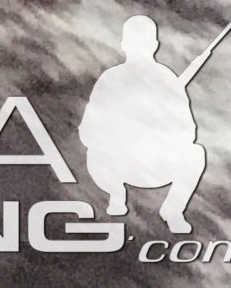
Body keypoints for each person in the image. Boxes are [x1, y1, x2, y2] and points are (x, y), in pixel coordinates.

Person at [80, 13, 211, 232]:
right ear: (124, 45)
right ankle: (116, 194)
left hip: (156, 164)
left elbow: (188, 133)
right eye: (134, 43)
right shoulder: (110, 80)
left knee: (195, 154)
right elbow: (87, 133)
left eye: (143, 43)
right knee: (95, 153)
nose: (138, 48)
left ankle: (173, 211)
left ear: (154, 45)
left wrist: (159, 127)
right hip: (116, 165)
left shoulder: (168, 80)